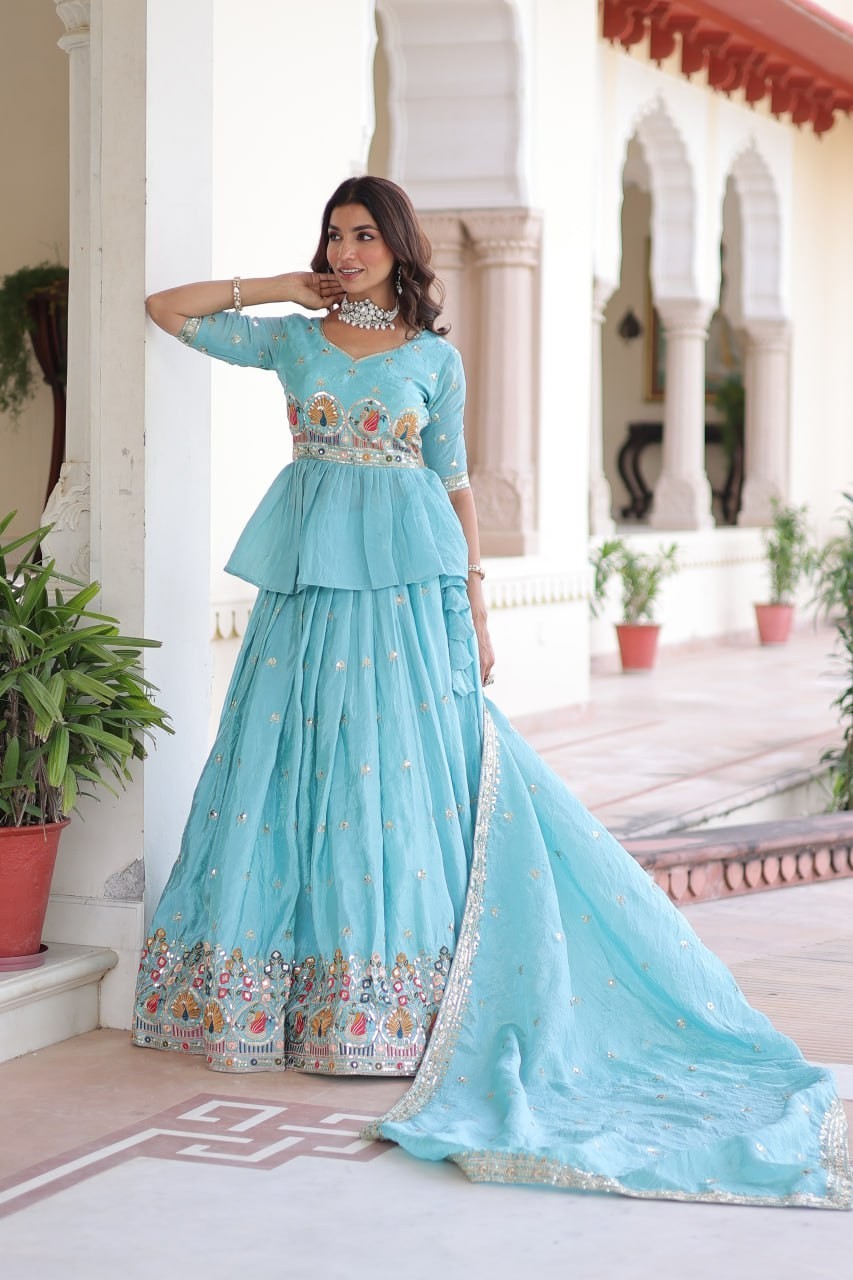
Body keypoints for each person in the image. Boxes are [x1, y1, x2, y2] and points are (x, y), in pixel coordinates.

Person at [134, 176, 851, 1210]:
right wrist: (279, 285)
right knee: (288, 769)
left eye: (363, 235)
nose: (345, 251)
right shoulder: (292, 341)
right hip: (307, 598)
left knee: (394, 782)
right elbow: (168, 309)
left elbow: (455, 484)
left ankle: (387, 1009)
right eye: (333, 236)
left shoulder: (434, 361)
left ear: (399, 246)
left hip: (408, 598)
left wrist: (475, 606)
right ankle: (273, 1003)